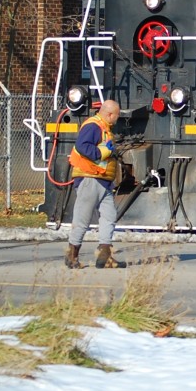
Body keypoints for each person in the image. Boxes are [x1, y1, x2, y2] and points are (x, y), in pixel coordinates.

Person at [65, 99, 125, 269]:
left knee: (109, 216)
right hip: (90, 179)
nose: (117, 119)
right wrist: (101, 152)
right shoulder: (93, 126)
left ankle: (104, 256)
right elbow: (82, 146)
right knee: (82, 219)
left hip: (103, 181)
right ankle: (71, 256)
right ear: (110, 114)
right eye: (117, 115)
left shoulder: (104, 128)